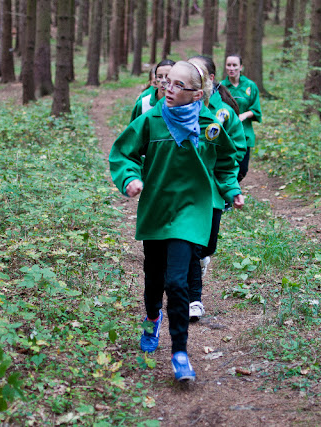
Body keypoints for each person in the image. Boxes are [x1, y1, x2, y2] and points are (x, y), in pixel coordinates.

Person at [109, 61, 244, 382]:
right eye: (167, 82)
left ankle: (180, 353)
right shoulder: (150, 120)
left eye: (177, 85)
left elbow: (226, 162)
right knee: (154, 278)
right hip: (157, 208)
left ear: (197, 93)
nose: (168, 89)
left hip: (191, 211)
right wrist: (130, 178)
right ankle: (151, 320)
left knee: (177, 282)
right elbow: (123, 153)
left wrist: (232, 190)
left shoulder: (210, 124)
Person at [186, 56, 247, 321]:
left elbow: (236, 151)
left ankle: (201, 260)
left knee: (207, 246)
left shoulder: (224, 113)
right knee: (189, 244)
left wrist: (230, 186)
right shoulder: (177, 109)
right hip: (185, 192)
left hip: (212, 193)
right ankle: (193, 299)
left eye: (198, 72)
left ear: (210, 79)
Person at [221, 54, 262, 182]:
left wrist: (243, 115)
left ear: (241, 67)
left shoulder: (250, 85)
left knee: (242, 170)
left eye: (234, 65)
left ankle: (234, 187)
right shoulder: (221, 86)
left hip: (245, 134)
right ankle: (228, 192)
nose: (231, 68)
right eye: (228, 65)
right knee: (226, 167)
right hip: (226, 134)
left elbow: (256, 110)